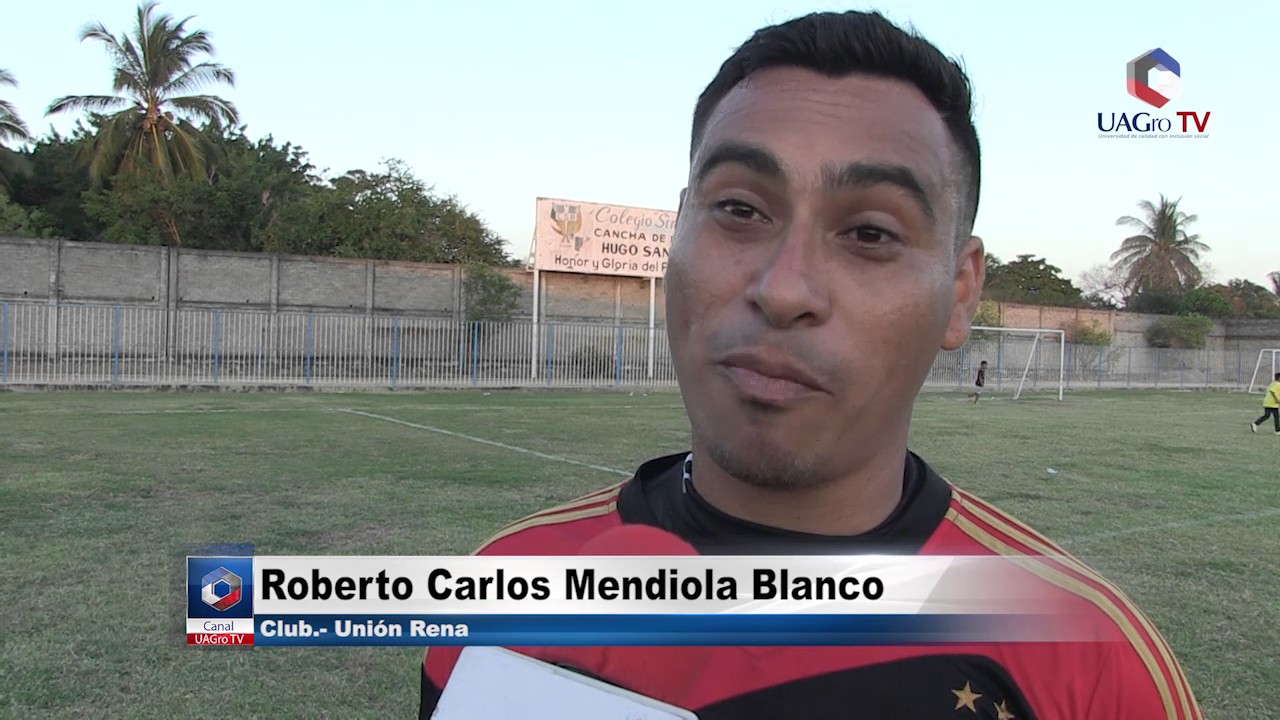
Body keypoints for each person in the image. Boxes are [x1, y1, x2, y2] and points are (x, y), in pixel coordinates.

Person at [419, 11, 1203, 719]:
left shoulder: (1090, 661)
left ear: (959, 293)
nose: (784, 289)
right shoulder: (507, 587)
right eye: (739, 210)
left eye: (869, 233)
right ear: (680, 231)